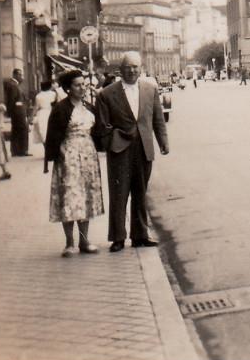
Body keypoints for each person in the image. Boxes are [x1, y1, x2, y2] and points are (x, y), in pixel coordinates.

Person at [95, 51, 169, 252]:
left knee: (140, 192)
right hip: (119, 149)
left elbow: (158, 118)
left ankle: (140, 235)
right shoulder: (106, 94)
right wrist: (112, 141)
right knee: (119, 193)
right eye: (127, 67)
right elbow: (102, 125)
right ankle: (118, 237)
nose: (132, 70)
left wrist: (163, 141)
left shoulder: (150, 89)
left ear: (141, 68)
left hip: (144, 147)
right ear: (120, 70)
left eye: (135, 66)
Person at [44, 69, 104, 256]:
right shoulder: (60, 109)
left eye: (83, 84)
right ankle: (69, 243)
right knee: (70, 197)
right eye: (77, 85)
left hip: (88, 156)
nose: (82, 88)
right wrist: (55, 156)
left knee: (86, 197)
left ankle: (84, 241)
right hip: (68, 157)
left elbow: (99, 130)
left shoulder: (89, 107)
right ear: (68, 88)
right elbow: (52, 135)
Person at [4, 67, 30, 156]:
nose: (22, 77)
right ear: (15, 75)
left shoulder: (15, 84)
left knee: (16, 130)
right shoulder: (13, 85)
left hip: (18, 111)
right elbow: (11, 100)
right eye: (20, 75)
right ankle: (22, 150)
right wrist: (11, 112)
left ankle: (16, 150)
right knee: (22, 130)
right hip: (18, 112)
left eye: (22, 75)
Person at [31, 79, 58, 146]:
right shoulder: (53, 94)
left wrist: (32, 116)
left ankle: (46, 147)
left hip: (42, 114)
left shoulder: (38, 96)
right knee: (52, 131)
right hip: (51, 112)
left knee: (43, 132)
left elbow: (36, 107)